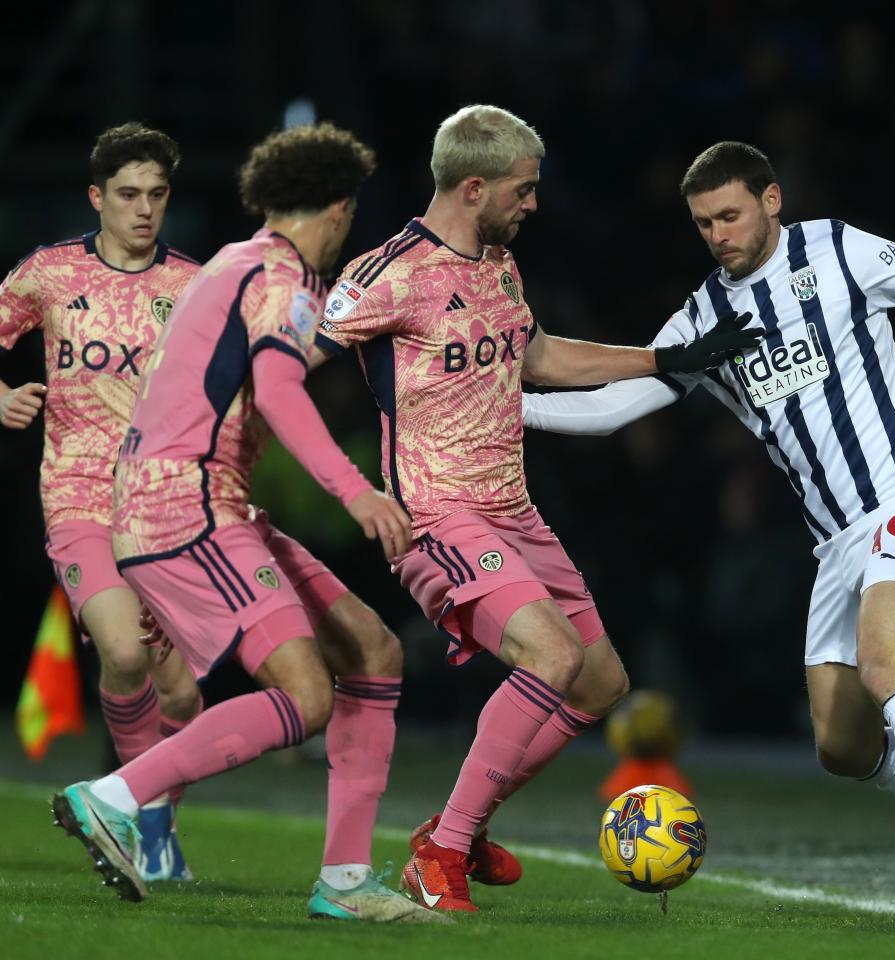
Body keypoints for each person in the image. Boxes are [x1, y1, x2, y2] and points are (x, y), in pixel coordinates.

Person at [521, 141, 895, 926]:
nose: (718, 234)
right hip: (836, 543)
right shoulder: (706, 314)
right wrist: (511, 412)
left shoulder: (835, 248)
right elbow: (613, 408)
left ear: (772, 200)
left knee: (889, 666)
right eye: (704, 222)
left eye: (730, 215)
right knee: (842, 747)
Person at [314, 105, 760, 913]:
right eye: (523, 190)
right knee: (551, 658)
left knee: (599, 683)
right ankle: (445, 851)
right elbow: (287, 364)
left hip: (512, 511)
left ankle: (456, 826)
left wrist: (668, 359)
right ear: (474, 185)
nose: (534, 204)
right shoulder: (386, 274)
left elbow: (543, 358)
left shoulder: (498, 264)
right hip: (436, 515)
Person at [50, 123, 444, 923]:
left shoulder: (231, 260)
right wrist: (356, 491)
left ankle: (342, 885)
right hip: (186, 505)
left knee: (372, 649)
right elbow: (279, 391)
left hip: (196, 501)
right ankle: (115, 796)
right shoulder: (282, 279)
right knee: (304, 693)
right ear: (339, 208)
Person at [0, 123, 204, 881]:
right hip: (78, 494)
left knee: (182, 687)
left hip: (167, 506)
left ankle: (157, 819)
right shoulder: (48, 275)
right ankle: (128, 810)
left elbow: (239, 388)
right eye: (127, 195)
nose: (143, 209)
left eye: (155, 195)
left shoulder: (192, 285)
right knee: (122, 652)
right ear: (97, 197)